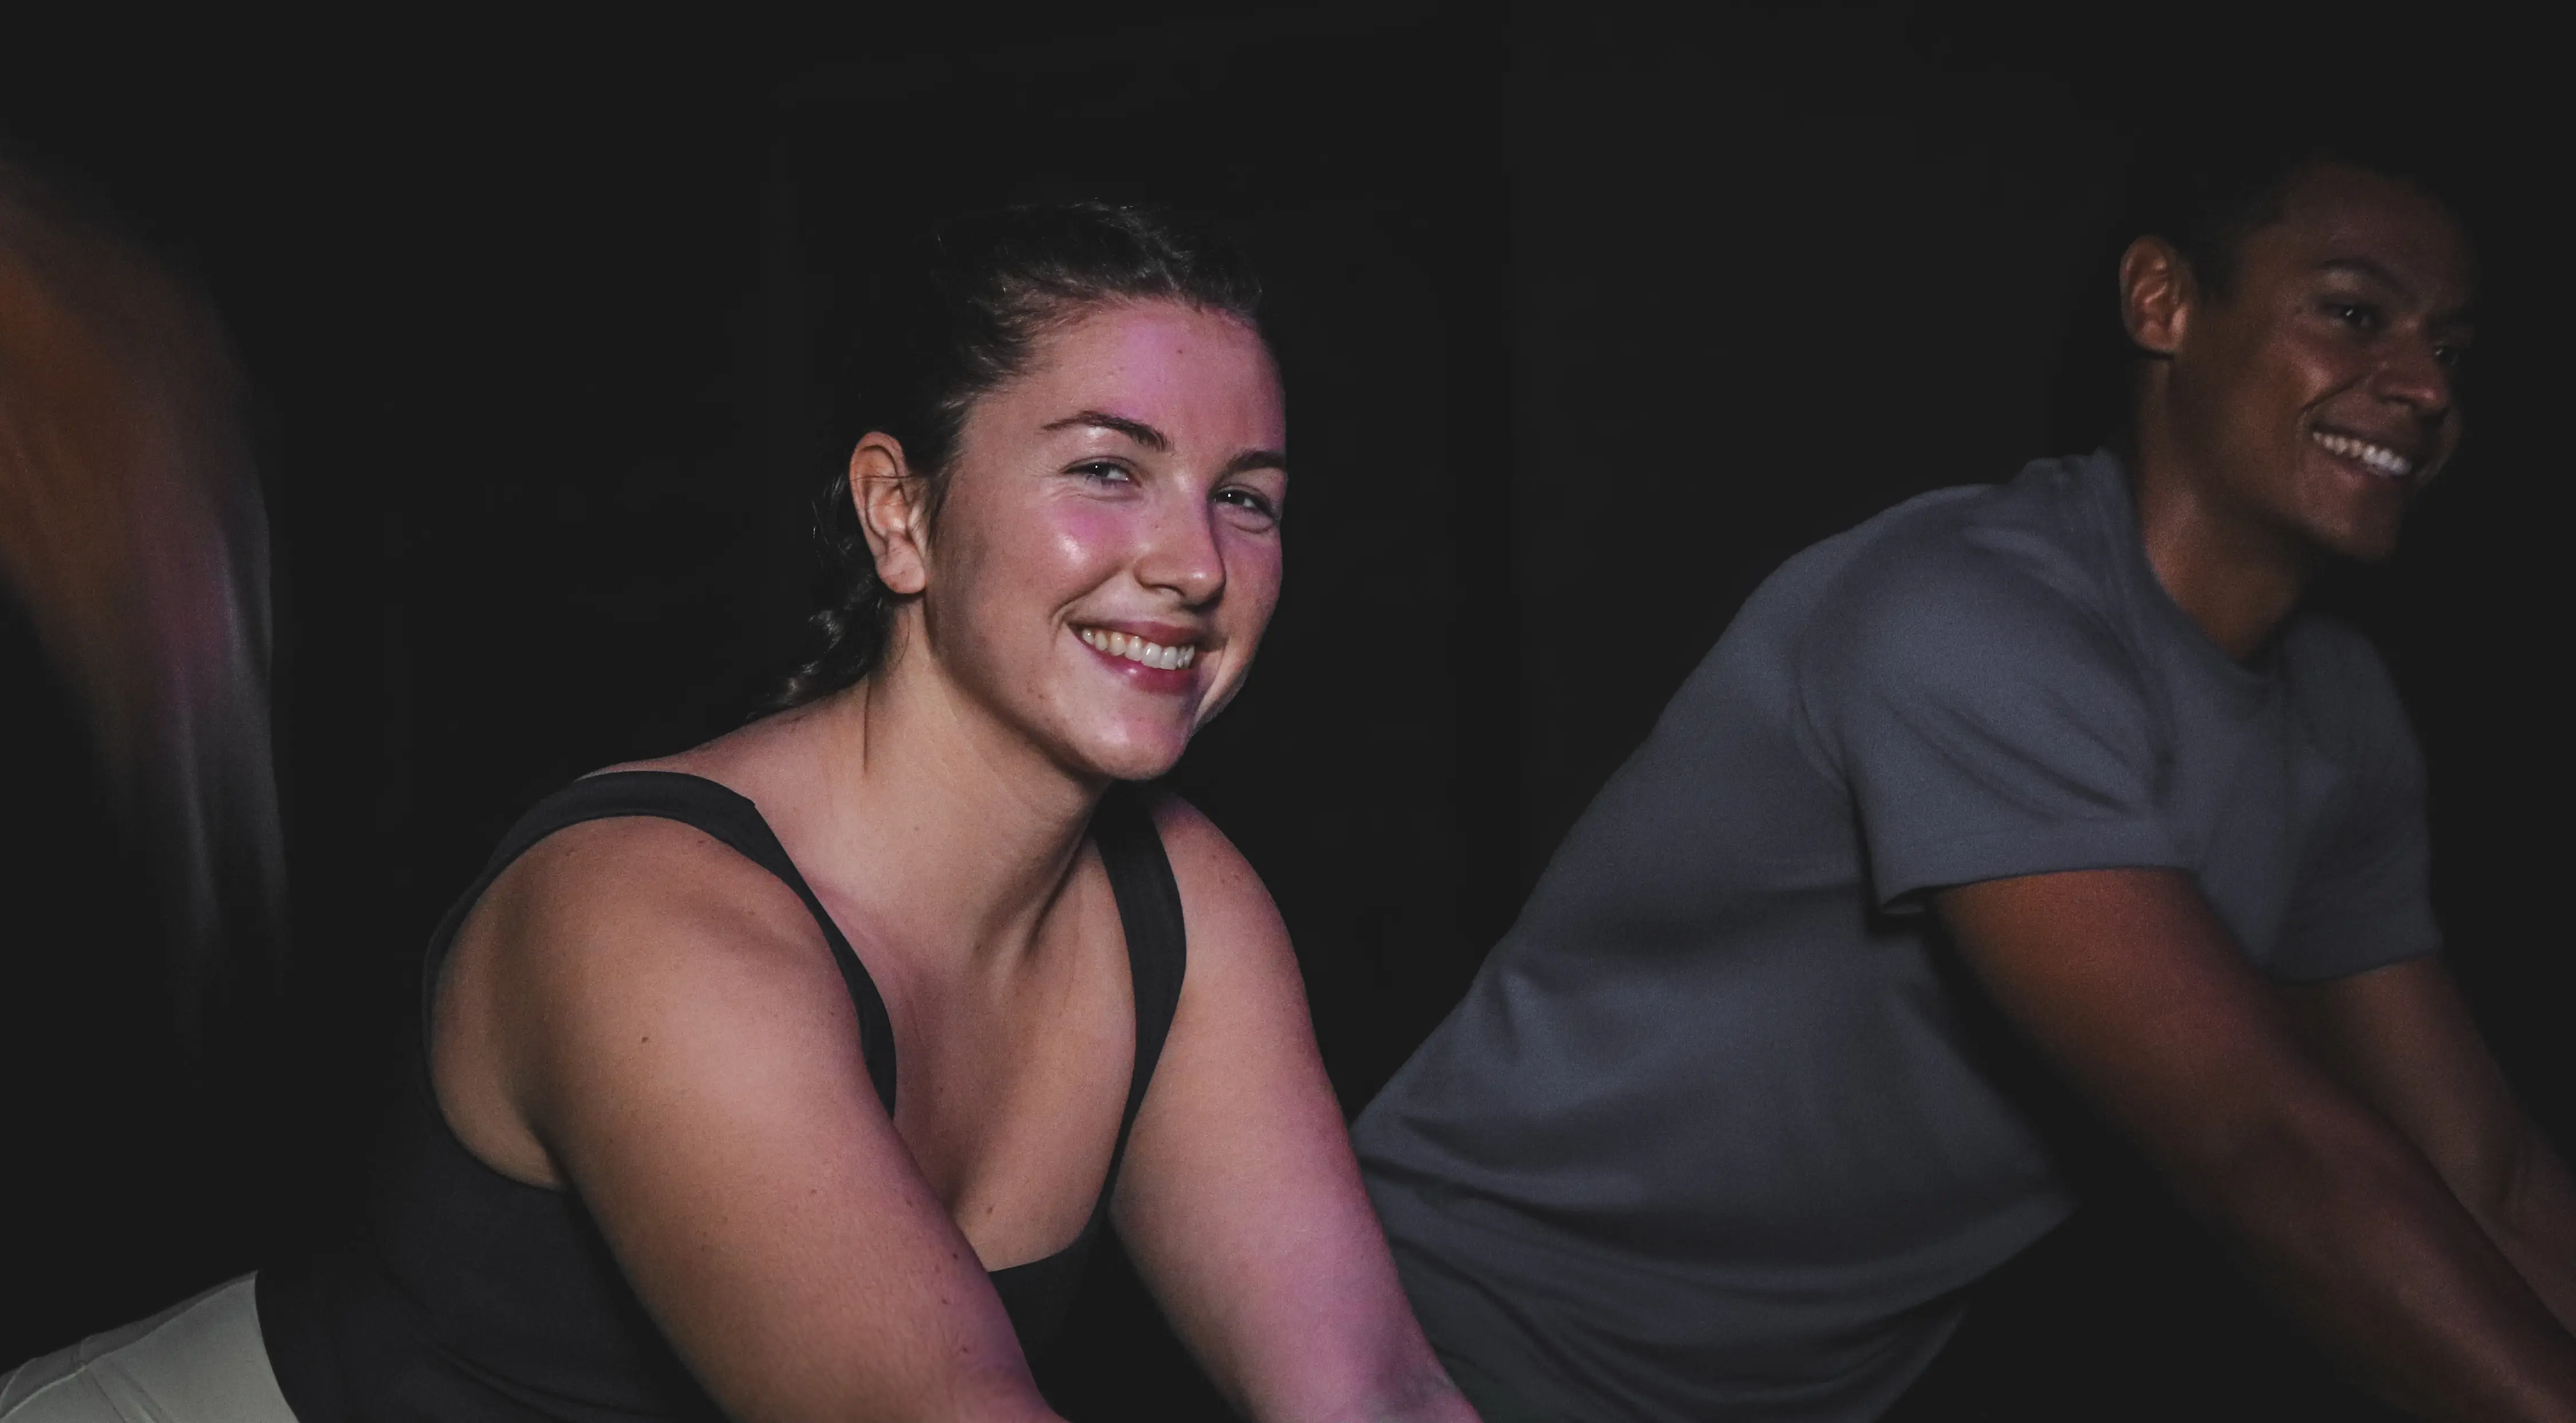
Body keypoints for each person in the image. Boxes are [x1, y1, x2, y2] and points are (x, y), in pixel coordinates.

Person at [3, 203, 1477, 1423]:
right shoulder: (654, 916)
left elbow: (1371, 1391)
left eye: (1248, 498)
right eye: (1108, 469)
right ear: (901, 515)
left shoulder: (1183, 907)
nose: (1196, 565)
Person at [1352, 142, 2576, 1420]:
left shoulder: (2338, 714)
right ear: (2162, 302)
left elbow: (2485, 1180)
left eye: (2453, 348)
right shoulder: (1964, 613)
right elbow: (2261, 1147)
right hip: (1439, 1349)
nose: (2427, 386)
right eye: (2355, 314)